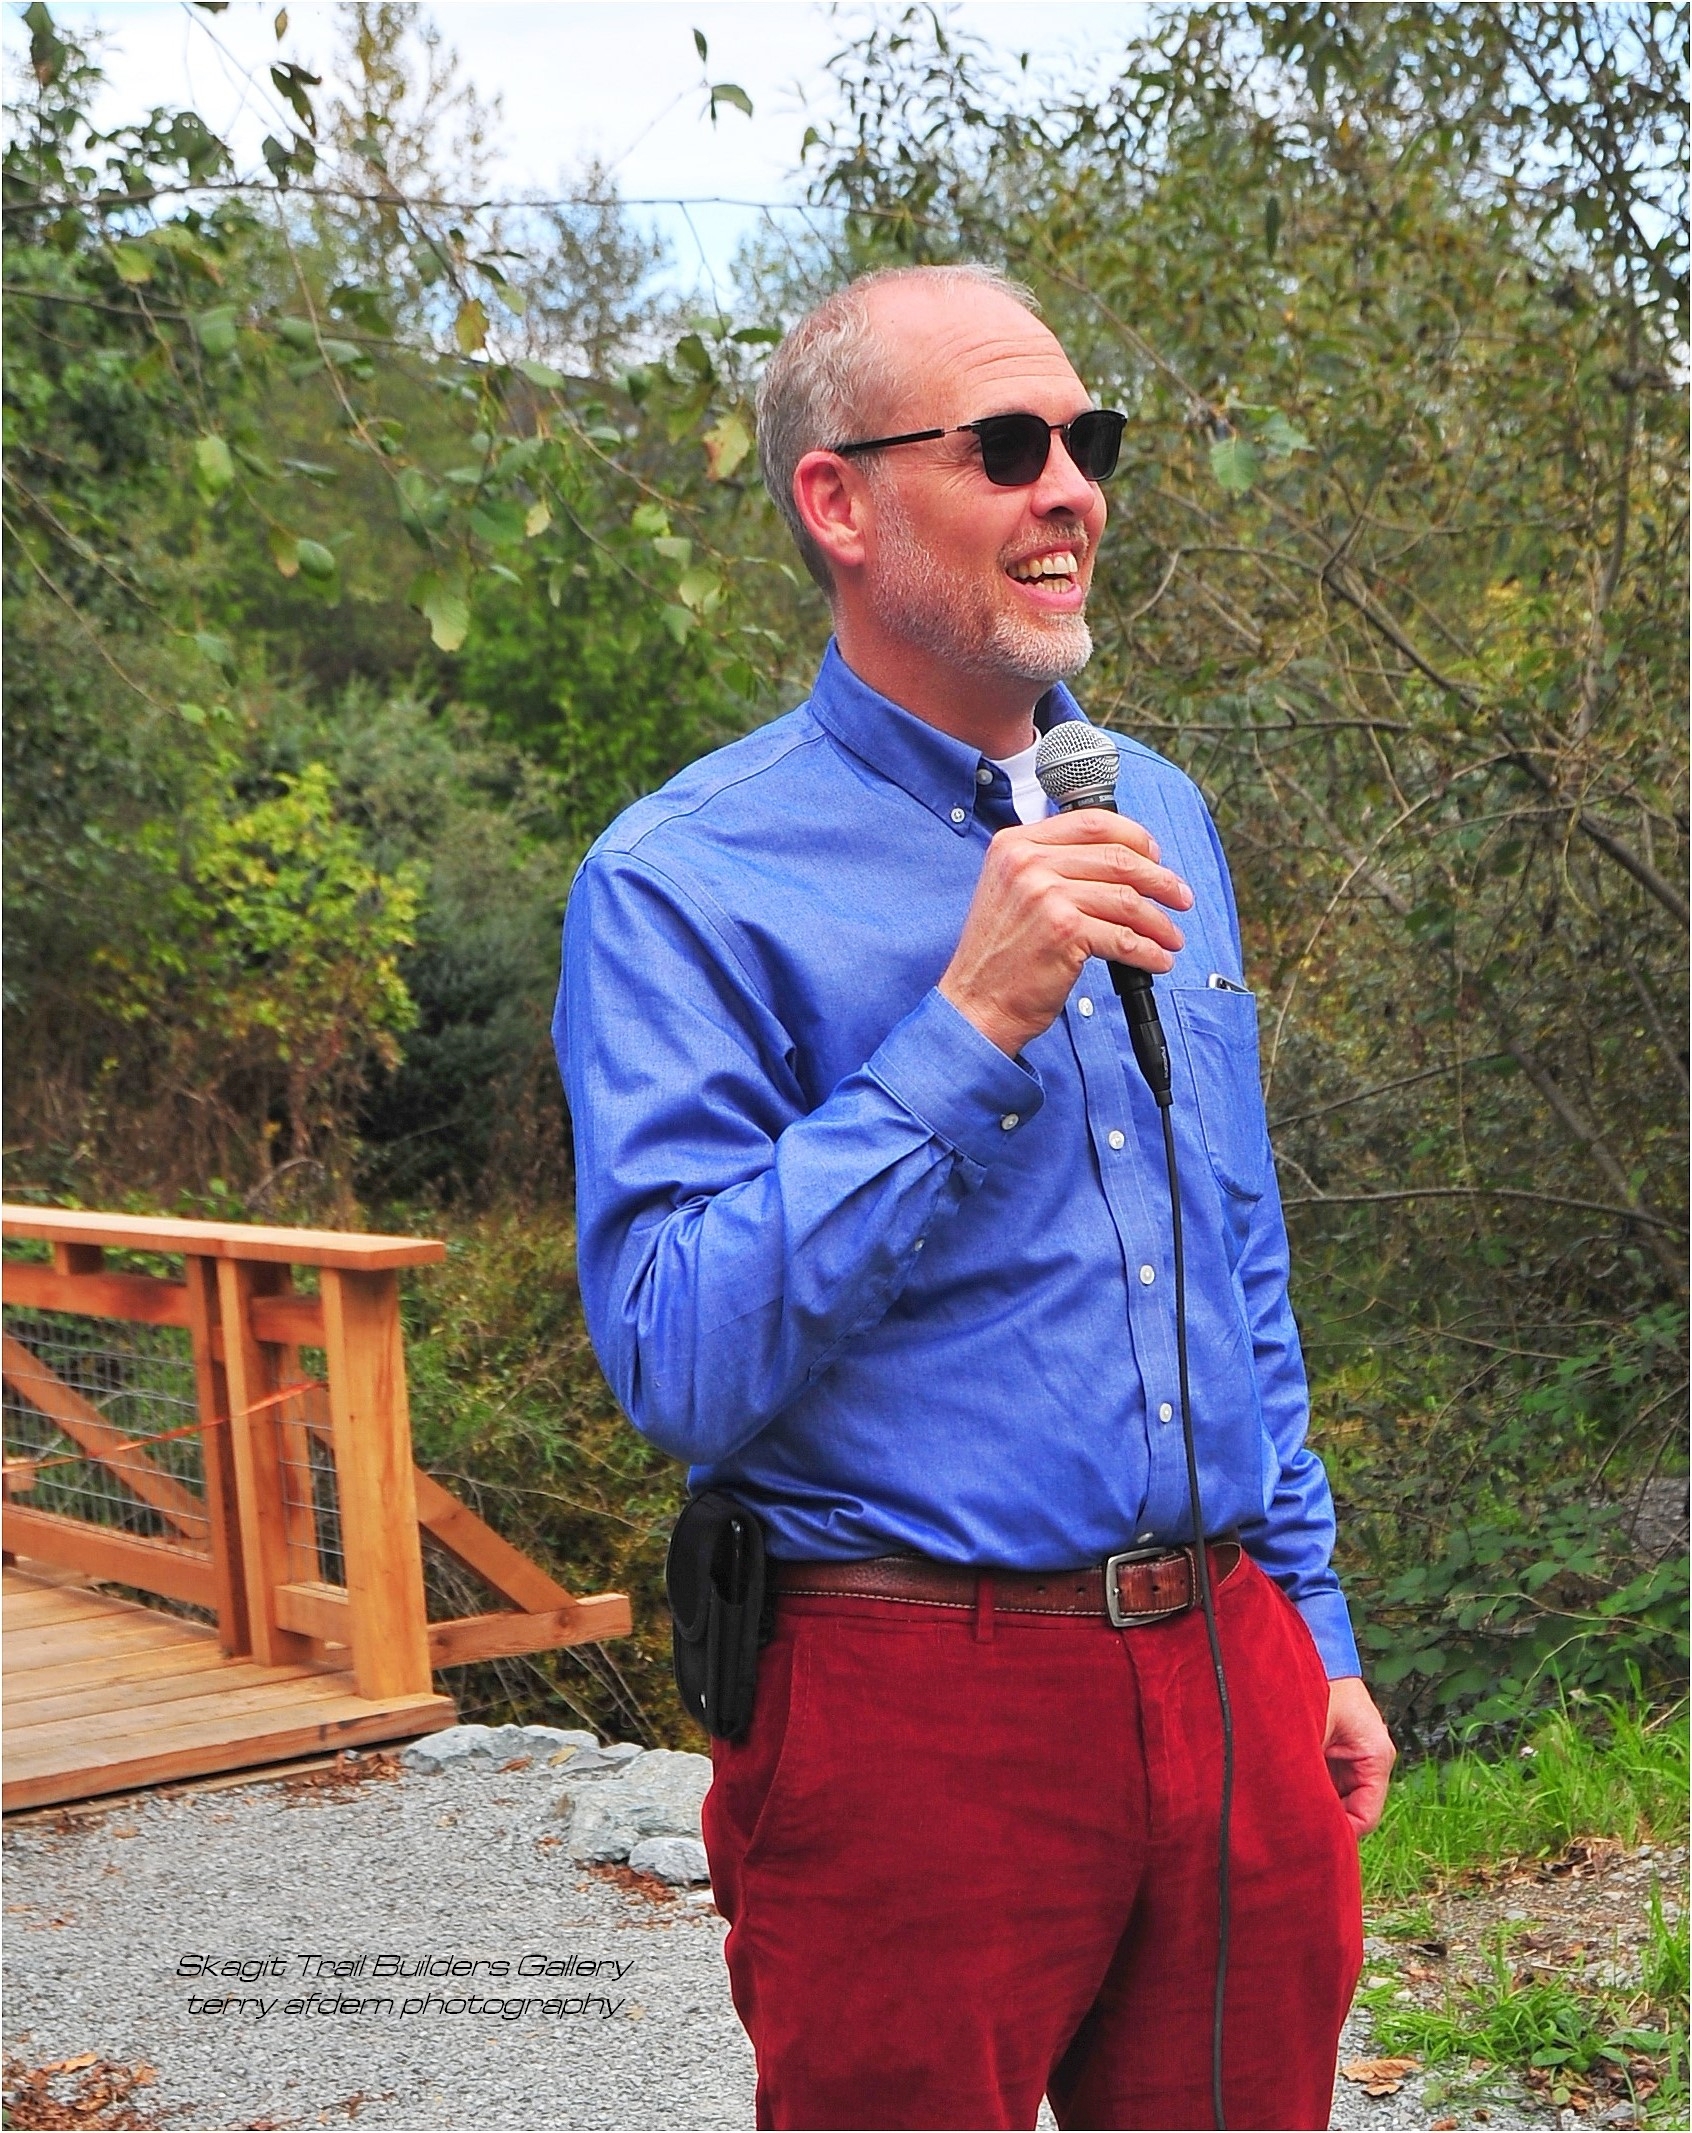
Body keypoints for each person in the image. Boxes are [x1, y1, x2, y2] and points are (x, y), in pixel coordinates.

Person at [555, 262, 1396, 2133]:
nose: (1071, 488)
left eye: (1090, 443)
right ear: (837, 503)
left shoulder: (1157, 807)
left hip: (1232, 1662)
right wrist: (963, 1026)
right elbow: (675, 1354)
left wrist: (1311, 1624)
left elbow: (1232, 1252)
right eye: (1007, 445)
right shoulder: (683, 878)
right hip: (906, 1694)